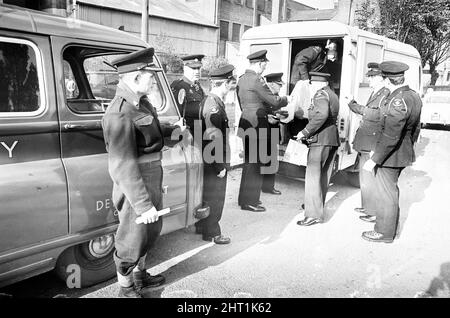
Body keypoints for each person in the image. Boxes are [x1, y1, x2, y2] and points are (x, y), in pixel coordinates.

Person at [102, 48, 185, 298]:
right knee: (130, 240)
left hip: (152, 176)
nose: (153, 79)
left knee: (150, 232)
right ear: (136, 76)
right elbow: (122, 165)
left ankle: (140, 276)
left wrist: (174, 133)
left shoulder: (143, 104)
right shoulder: (119, 112)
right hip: (134, 184)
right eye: (150, 75)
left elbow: (150, 136)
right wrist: (142, 204)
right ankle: (125, 289)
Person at [361, 61, 422, 243]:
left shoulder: (397, 99)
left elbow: (391, 134)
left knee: (386, 193)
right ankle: (385, 228)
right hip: (400, 152)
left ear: (388, 80)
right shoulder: (413, 96)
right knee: (390, 192)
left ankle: (384, 232)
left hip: (390, 155)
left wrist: (375, 158)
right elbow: (416, 128)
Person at [237, 50, 288, 212]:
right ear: (259, 63)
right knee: (255, 164)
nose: (265, 69)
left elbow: (243, 103)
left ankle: (245, 199)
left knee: (249, 163)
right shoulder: (257, 80)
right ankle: (249, 201)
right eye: (264, 65)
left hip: (246, 123)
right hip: (257, 126)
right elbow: (273, 100)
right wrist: (287, 99)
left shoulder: (242, 79)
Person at [194, 64, 235, 245]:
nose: (230, 88)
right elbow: (213, 139)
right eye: (230, 84)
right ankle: (213, 232)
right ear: (225, 84)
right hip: (214, 160)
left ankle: (203, 227)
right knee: (215, 198)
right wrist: (220, 166)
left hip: (207, 158)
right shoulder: (214, 106)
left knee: (207, 195)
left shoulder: (208, 100)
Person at [346, 63, 390, 223]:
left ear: (380, 77)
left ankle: (373, 211)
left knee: (369, 178)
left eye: (372, 77)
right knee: (364, 177)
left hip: (371, 143)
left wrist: (353, 104)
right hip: (366, 141)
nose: (369, 80)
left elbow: (374, 115)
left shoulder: (384, 94)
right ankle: (367, 206)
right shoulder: (376, 92)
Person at [296, 72, 340, 227]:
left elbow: (321, 114)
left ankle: (313, 214)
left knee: (313, 176)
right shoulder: (331, 94)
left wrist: (305, 132)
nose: (310, 86)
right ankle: (315, 205)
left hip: (320, 140)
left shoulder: (320, 94)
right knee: (322, 176)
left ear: (317, 83)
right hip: (330, 139)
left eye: (311, 83)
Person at [261, 72, 286, 195]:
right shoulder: (264, 95)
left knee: (272, 160)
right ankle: (260, 185)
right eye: (279, 84)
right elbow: (259, 112)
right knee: (262, 159)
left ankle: (269, 186)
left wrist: (279, 115)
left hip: (274, 130)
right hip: (264, 130)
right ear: (271, 84)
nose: (280, 87)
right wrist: (268, 117)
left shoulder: (276, 95)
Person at [170, 54, 206, 135]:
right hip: (187, 133)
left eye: (198, 68)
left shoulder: (197, 86)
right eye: (193, 68)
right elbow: (176, 115)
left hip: (199, 131)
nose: (197, 71)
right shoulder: (179, 86)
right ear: (185, 68)